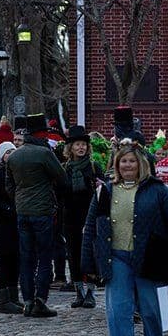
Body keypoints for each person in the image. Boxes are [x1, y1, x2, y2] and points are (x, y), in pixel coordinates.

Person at [82, 138, 168, 336]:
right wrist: (88, 263)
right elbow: (91, 227)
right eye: (123, 161)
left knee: (150, 309)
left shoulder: (158, 190)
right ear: (116, 164)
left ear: (140, 164)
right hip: (116, 258)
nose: (127, 165)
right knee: (118, 309)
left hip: (149, 257)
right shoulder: (105, 191)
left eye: (132, 161)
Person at [6, 114, 70, 317]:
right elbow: (63, 179)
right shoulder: (44, 154)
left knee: (26, 258)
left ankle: (26, 300)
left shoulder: (15, 155)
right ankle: (40, 300)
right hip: (42, 211)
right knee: (44, 257)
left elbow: (9, 185)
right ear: (41, 133)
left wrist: (19, 199)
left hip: (22, 211)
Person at [62, 124, 103, 310]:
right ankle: (78, 290)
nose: (81, 147)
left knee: (91, 255)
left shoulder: (93, 167)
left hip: (90, 216)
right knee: (74, 254)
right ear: (70, 147)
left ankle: (91, 292)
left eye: (84, 144)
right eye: (77, 144)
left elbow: (104, 192)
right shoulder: (66, 169)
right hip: (71, 217)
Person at [0, 141, 23, 314]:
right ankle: (3, 300)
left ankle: (13, 296)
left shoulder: (17, 171)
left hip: (15, 222)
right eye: (7, 152)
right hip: (3, 223)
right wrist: (7, 208)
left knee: (15, 261)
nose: (10, 155)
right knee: (6, 262)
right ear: (2, 155)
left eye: (13, 152)